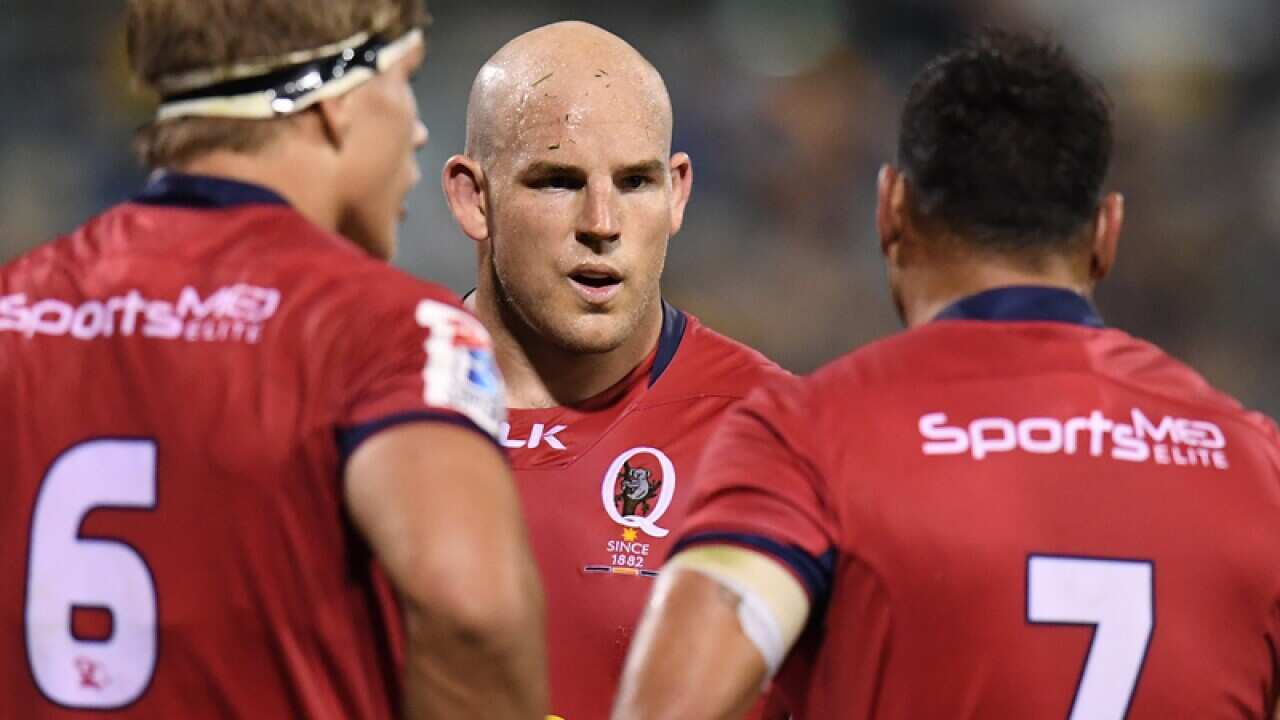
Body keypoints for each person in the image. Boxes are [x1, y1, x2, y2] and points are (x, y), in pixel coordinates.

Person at [615, 29, 1280, 720]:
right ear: (1107, 233)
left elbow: (666, 707)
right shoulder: (1257, 463)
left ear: (891, 210)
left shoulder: (810, 436)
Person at [1, 1, 547, 717]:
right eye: (404, 78)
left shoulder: (15, 306)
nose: (416, 129)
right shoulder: (390, 329)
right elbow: (474, 613)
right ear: (336, 104)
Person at [441, 21, 789, 720]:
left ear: (679, 192)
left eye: (635, 182)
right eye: (558, 180)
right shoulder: (365, 413)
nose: (602, 222)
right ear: (473, 198)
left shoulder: (779, 438)